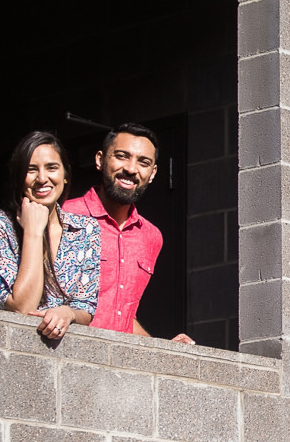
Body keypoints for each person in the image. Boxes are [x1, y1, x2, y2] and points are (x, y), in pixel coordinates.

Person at [62, 122, 194, 344]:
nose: (131, 169)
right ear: (100, 160)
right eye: (122, 156)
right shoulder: (65, 215)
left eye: (143, 162)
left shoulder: (151, 237)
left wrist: (163, 348)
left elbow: (122, 317)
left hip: (119, 366)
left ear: (152, 174)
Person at [0, 131, 100, 342]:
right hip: (0, 346)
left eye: (52, 168)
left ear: (65, 174)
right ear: (18, 178)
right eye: (31, 170)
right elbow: (21, 307)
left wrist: (67, 313)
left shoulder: (86, 229)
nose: (42, 179)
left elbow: (85, 306)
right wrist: (33, 232)